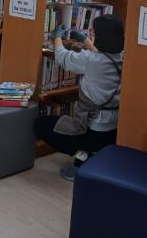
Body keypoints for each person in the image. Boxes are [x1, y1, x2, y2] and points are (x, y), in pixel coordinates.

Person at [34, 14, 123, 181]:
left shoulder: (90, 60)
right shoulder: (122, 56)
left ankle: (83, 154)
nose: (91, 34)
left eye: (93, 32)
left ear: (102, 37)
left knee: (41, 125)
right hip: (114, 130)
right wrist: (83, 39)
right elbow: (101, 55)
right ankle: (92, 155)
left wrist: (57, 37)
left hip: (92, 130)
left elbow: (62, 57)